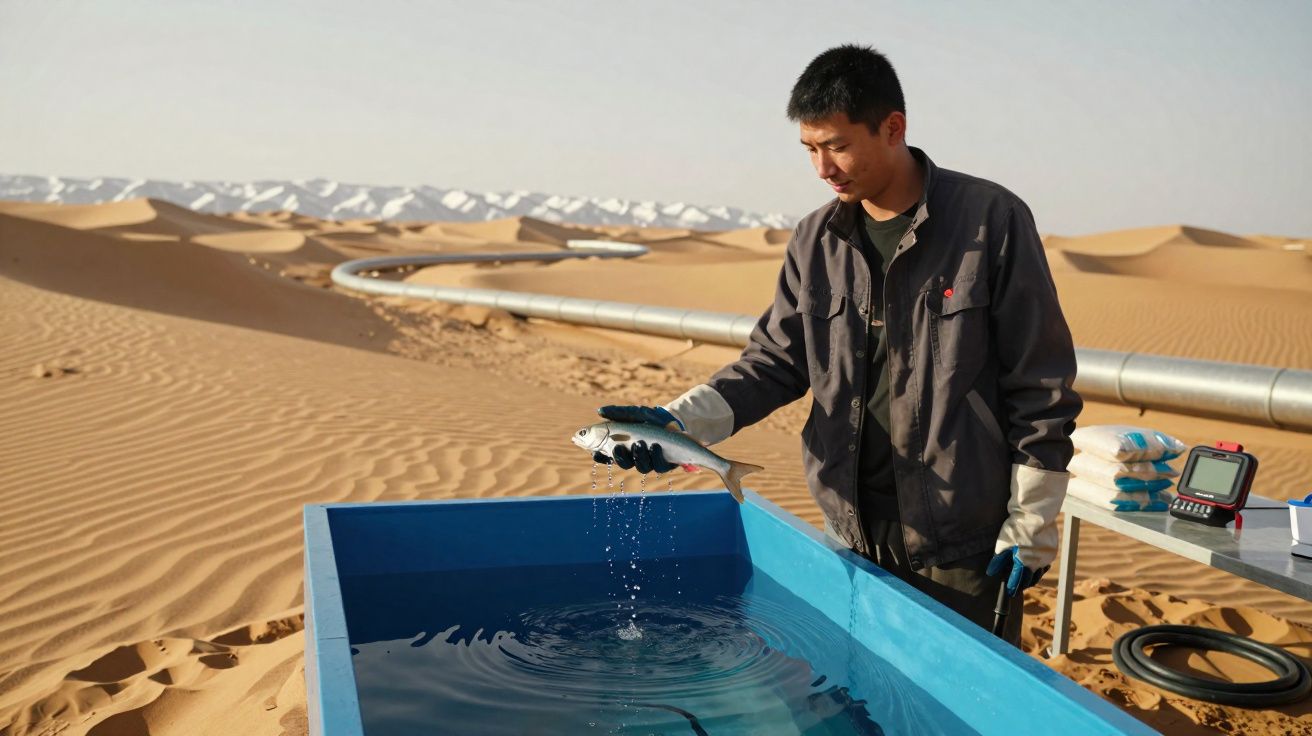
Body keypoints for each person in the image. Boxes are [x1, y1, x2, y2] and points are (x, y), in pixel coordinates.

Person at [593, 44, 1082, 646]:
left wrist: (1032, 518)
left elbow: (1041, 382)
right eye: (809, 149)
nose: (823, 168)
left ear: (893, 128)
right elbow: (775, 361)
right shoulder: (815, 239)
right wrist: (678, 422)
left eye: (838, 145)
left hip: (963, 546)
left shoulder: (991, 220)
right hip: (849, 532)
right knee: (847, 687)